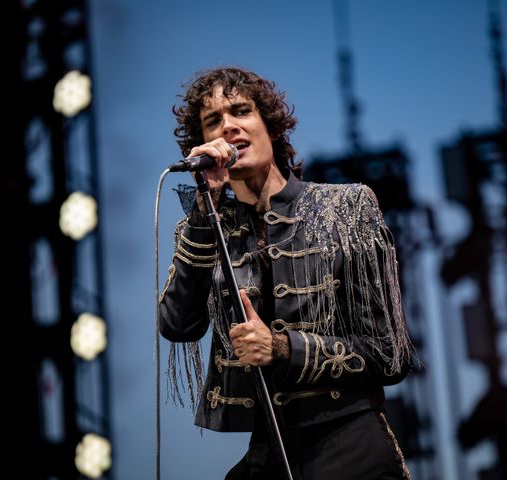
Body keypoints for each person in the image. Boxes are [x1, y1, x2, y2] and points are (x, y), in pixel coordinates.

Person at [158, 66, 414, 480]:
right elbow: (177, 325)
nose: (229, 126)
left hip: (351, 445)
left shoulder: (346, 208)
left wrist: (280, 348)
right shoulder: (204, 229)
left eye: (241, 111)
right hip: (269, 448)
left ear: (271, 127)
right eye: (213, 121)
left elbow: (389, 354)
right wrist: (205, 210)